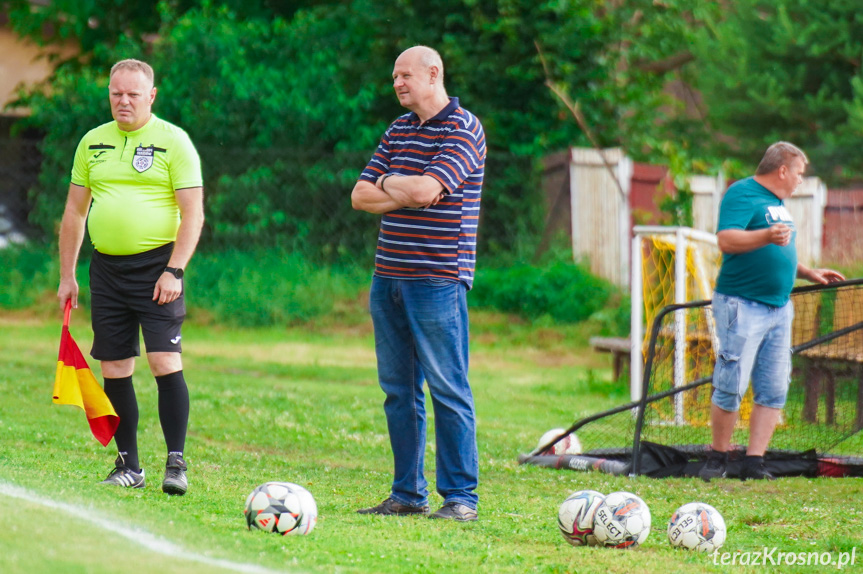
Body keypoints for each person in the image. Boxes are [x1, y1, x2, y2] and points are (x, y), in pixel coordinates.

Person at [351, 46, 486, 521]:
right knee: (398, 390)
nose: (398, 83)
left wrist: (390, 182)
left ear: (433, 74)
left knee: (448, 387)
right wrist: (401, 184)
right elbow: (358, 195)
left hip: (437, 278)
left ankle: (461, 498)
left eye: (405, 75)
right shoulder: (398, 130)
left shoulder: (464, 128)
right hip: (387, 276)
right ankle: (407, 494)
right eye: (393, 77)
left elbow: (430, 192)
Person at [57, 58, 204, 495]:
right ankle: (129, 465)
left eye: (133, 94)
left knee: (164, 362)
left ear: (151, 96)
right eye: (116, 93)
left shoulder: (174, 142)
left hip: (158, 268)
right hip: (106, 269)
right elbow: (74, 212)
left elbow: (193, 215)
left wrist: (175, 269)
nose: (123, 101)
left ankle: (175, 463)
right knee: (115, 366)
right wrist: (68, 274)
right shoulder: (92, 142)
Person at [699, 142, 844, 482]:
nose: (800, 181)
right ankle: (718, 458)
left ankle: (754, 463)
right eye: (799, 173)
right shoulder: (742, 193)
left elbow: (780, 251)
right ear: (782, 170)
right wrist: (765, 235)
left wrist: (809, 272)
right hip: (741, 303)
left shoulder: (778, 204)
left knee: (774, 387)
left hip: (779, 308)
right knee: (731, 383)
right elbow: (726, 240)